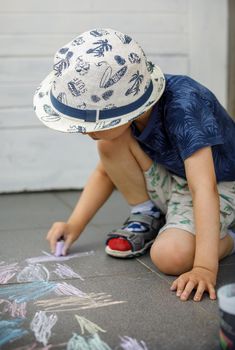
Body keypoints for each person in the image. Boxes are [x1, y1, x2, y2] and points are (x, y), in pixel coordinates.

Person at [34, 28, 235, 302]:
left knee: (170, 257)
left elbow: (204, 188)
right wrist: (74, 225)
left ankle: (229, 234)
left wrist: (204, 267)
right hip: (179, 178)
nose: (83, 131)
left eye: (89, 124)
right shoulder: (135, 107)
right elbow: (106, 171)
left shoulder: (185, 106)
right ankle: (149, 214)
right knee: (108, 144)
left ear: (123, 110)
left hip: (222, 185)